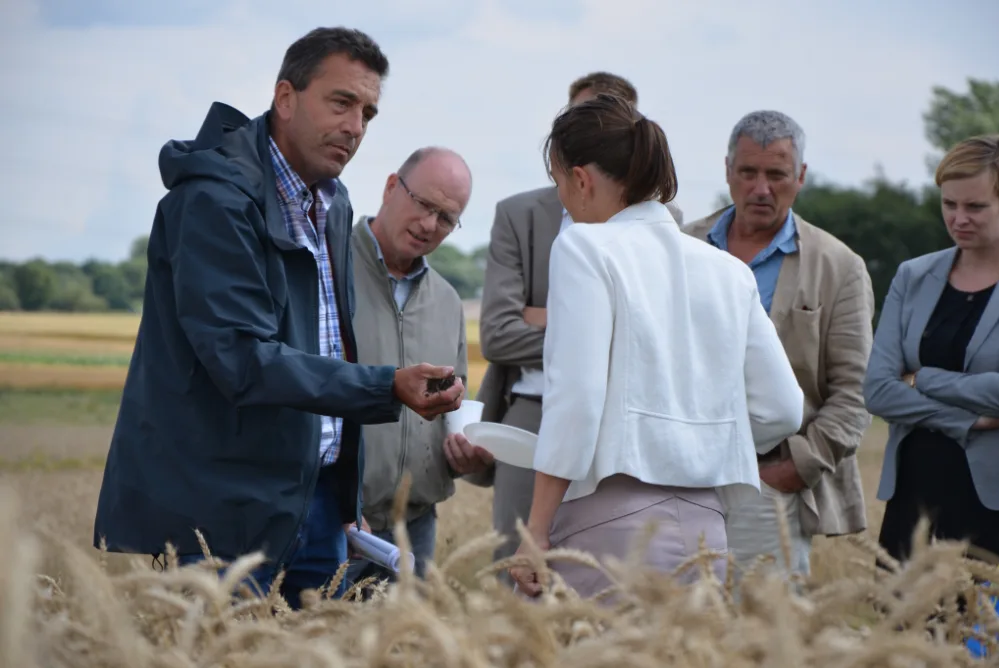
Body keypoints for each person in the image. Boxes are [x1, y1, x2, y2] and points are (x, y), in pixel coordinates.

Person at [91, 27, 465, 610]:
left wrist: (343, 494)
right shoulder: (214, 201)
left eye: (368, 112)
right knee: (223, 647)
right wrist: (387, 385)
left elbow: (328, 344)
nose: (355, 127)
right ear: (285, 98)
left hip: (315, 502)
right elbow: (241, 358)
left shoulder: (333, 201)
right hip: (225, 501)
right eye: (340, 103)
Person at [507, 94, 805, 600]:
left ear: (581, 179)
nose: (562, 199)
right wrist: (700, 437)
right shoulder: (728, 270)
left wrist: (535, 530)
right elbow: (783, 408)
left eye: (559, 183)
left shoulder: (584, 247)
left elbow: (576, 400)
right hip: (709, 530)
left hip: (606, 526)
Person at [467, 71, 683, 582]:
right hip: (531, 416)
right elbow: (497, 334)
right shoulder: (518, 214)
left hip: (629, 420)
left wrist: (551, 318)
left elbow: (661, 334)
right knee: (520, 572)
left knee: (612, 575)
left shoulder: (667, 221)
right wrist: (598, 331)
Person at [682, 110, 874, 578]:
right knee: (676, 636)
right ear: (728, 170)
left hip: (768, 482)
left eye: (776, 175)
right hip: (678, 475)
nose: (761, 188)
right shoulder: (681, 247)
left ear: (801, 177)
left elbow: (856, 394)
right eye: (748, 173)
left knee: (763, 636)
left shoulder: (839, 267)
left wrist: (789, 472)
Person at [863, 134, 999, 565]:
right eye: (949, 204)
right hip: (913, 496)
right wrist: (969, 419)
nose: (958, 218)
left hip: (998, 501)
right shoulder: (912, 276)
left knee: (984, 629)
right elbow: (877, 390)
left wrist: (921, 379)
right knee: (901, 628)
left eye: (975, 207)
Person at [346, 147, 494, 586]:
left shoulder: (447, 300)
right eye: (424, 204)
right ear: (392, 187)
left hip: (416, 527)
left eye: (446, 217)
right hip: (335, 520)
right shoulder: (329, 271)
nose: (431, 224)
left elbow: (451, 405)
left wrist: (461, 455)